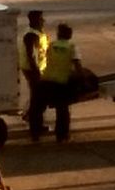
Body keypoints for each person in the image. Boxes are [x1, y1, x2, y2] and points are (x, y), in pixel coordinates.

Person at [38, 22, 78, 142]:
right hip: (62, 81)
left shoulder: (51, 45)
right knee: (63, 111)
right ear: (69, 35)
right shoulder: (71, 46)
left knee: (44, 106)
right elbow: (77, 64)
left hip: (48, 80)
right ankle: (62, 135)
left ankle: (37, 131)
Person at [19, 10, 49, 142]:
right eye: (41, 19)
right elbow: (31, 55)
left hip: (36, 69)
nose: (43, 21)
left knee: (39, 98)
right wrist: (36, 71)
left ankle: (37, 124)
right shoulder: (31, 36)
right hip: (33, 71)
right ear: (35, 21)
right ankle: (34, 129)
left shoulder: (36, 33)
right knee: (37, 100)